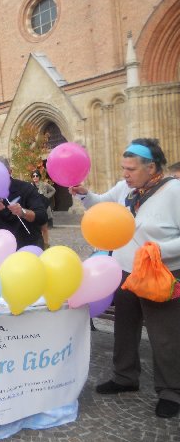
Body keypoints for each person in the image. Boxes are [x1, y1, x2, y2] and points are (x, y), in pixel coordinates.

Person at [70, 138, 180, 419]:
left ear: (151, 166)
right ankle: (124, 376)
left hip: (161, 273)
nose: (125, 174)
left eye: (130, 168)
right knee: (125, 326)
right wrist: (85, 195)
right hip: (124, 271)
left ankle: (171, 391)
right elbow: (101, 206)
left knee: (164, 333)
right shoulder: (125, 189)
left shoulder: (174, 192)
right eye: (123, 168)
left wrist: (157, 251)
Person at [0, 157, 47, 249]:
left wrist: (23, 212)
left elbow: (42, 216)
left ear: (10, 172)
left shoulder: (26, 188)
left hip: (28, 244)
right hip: (2, 247)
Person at [30, 170, 56, 247]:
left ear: (39, 177)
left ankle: (46, 243)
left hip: (44, 207)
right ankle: (37, 243)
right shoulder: (30, 186)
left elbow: (53, 190)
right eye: (33, 176)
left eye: (36, 175)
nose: (35, 177)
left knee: (44, 228)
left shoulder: (44, 184)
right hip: (34, 208)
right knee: (36, 228)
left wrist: (47, 196)